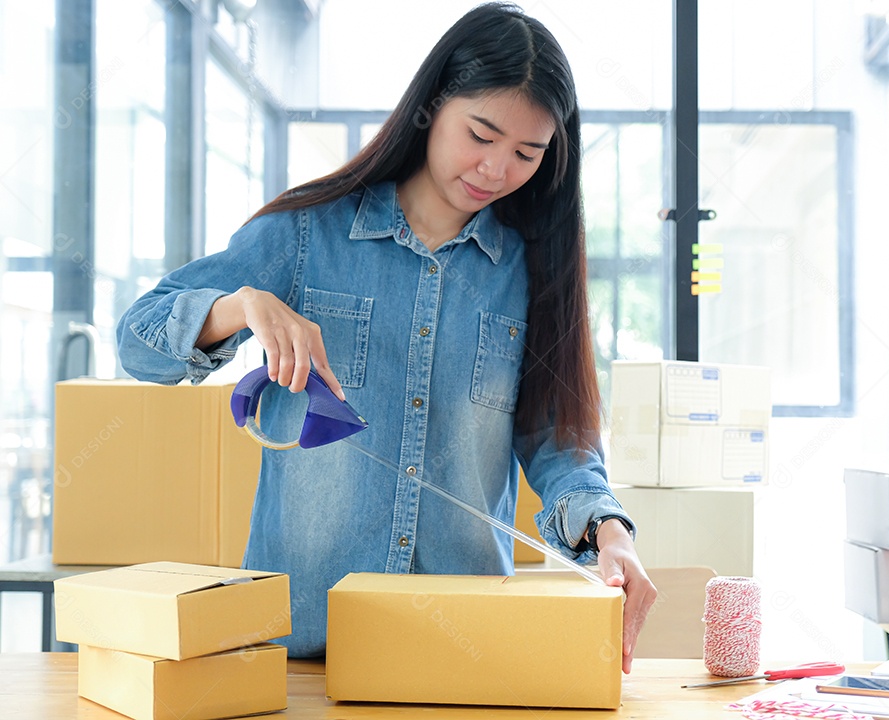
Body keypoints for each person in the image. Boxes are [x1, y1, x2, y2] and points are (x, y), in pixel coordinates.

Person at [116, 2, 656, 672]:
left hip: (459, 652)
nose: (495, 169)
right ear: (432, 106)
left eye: (526, 152)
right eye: (480, 135)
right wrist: (239, 305)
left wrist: (608, 529)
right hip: (296, 651)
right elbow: (136, 342)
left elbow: (555, 441)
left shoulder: (530, 271)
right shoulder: (307, 234)